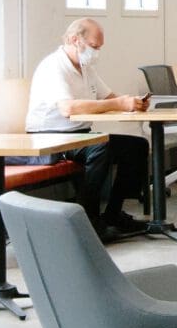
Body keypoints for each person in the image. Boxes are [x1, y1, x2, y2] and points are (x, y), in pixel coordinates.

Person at [28, 18, 153, 239]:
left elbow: (109, 97)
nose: (96, 53)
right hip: (51, 138)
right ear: (75, 40)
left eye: (99, 48)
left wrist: (132, 103)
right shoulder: (54, 67)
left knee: (136, 146)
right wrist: (118, 104)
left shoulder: (85, 68)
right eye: (94, 47)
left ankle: (114, 213)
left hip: (80, 135)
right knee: (100, 148)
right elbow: (68, 108)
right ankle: (88, 221)